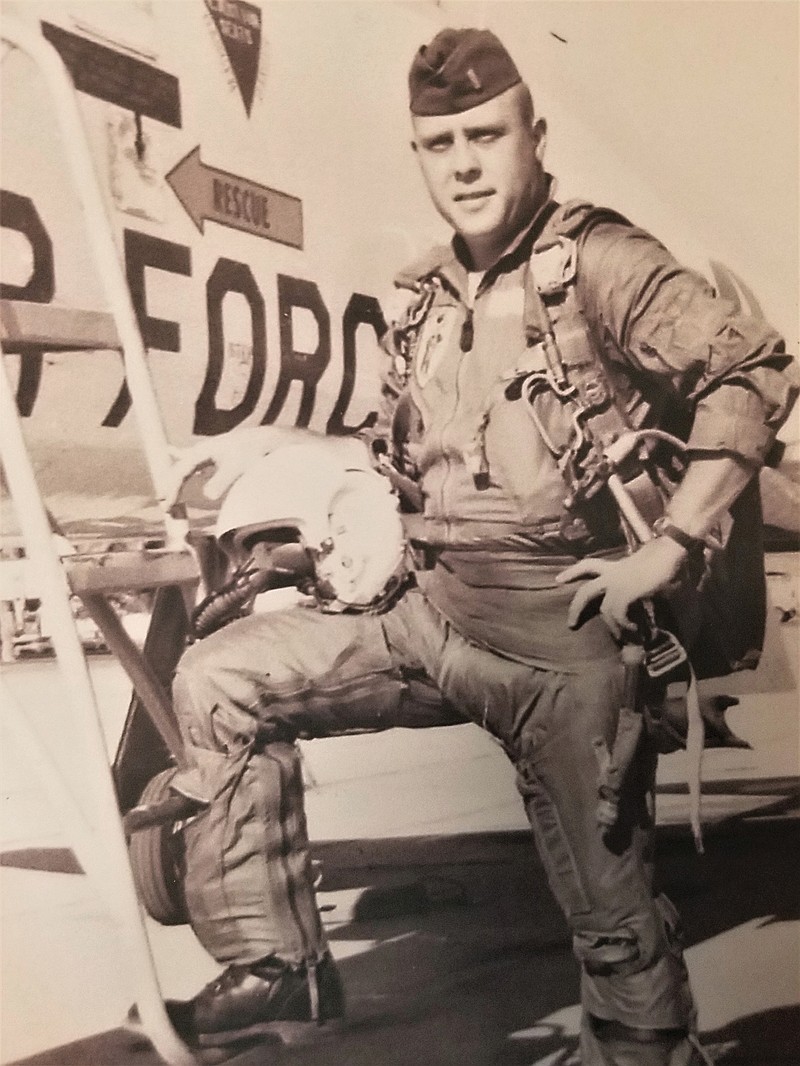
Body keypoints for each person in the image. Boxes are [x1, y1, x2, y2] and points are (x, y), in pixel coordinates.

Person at [159, 28, 798, 1065]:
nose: (460, 162)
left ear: (533, 137)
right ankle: (278, 959)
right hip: (425, 614)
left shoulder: (598, 261)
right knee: (219, 680)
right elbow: (399, 460)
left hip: (561, 631)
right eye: (437, 141)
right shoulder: (418, 295)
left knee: (612, 921)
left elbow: (752, 371)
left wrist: (670, 546)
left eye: (483, 135)